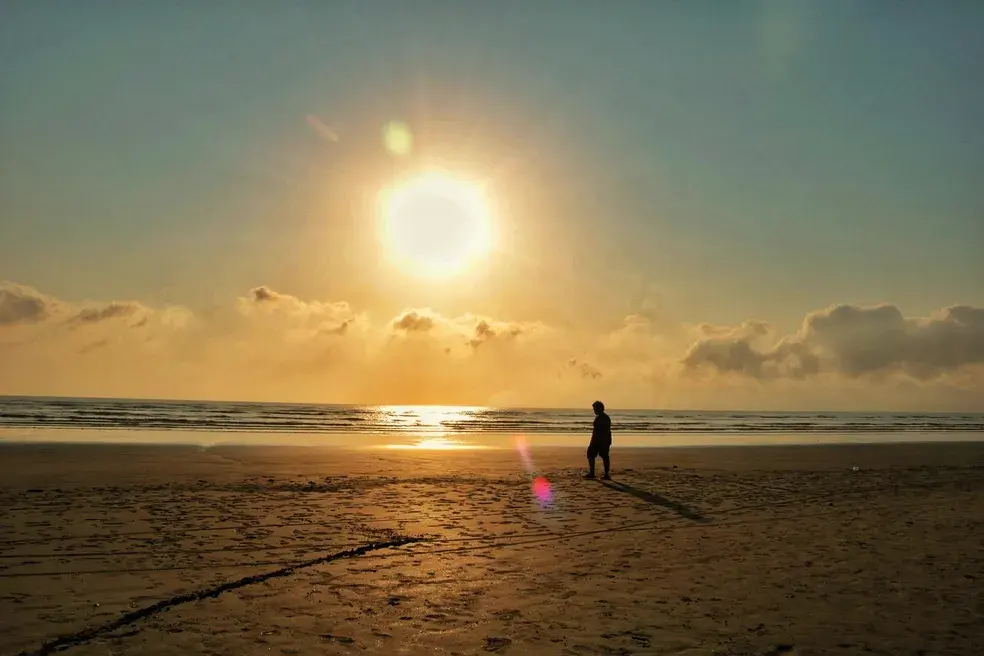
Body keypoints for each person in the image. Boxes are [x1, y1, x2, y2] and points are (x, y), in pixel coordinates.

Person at [585, 400, 612, 479]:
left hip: (599, 440)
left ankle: (594, 473)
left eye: (595, 409)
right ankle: (602, 473)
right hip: (603, 440)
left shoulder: (602, 418)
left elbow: (601, 430)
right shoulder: (604, 417)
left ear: (600, 408)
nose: (594, 410)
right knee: (602, 456)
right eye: (594, 409)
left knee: (593, 455)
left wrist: (594, 440)